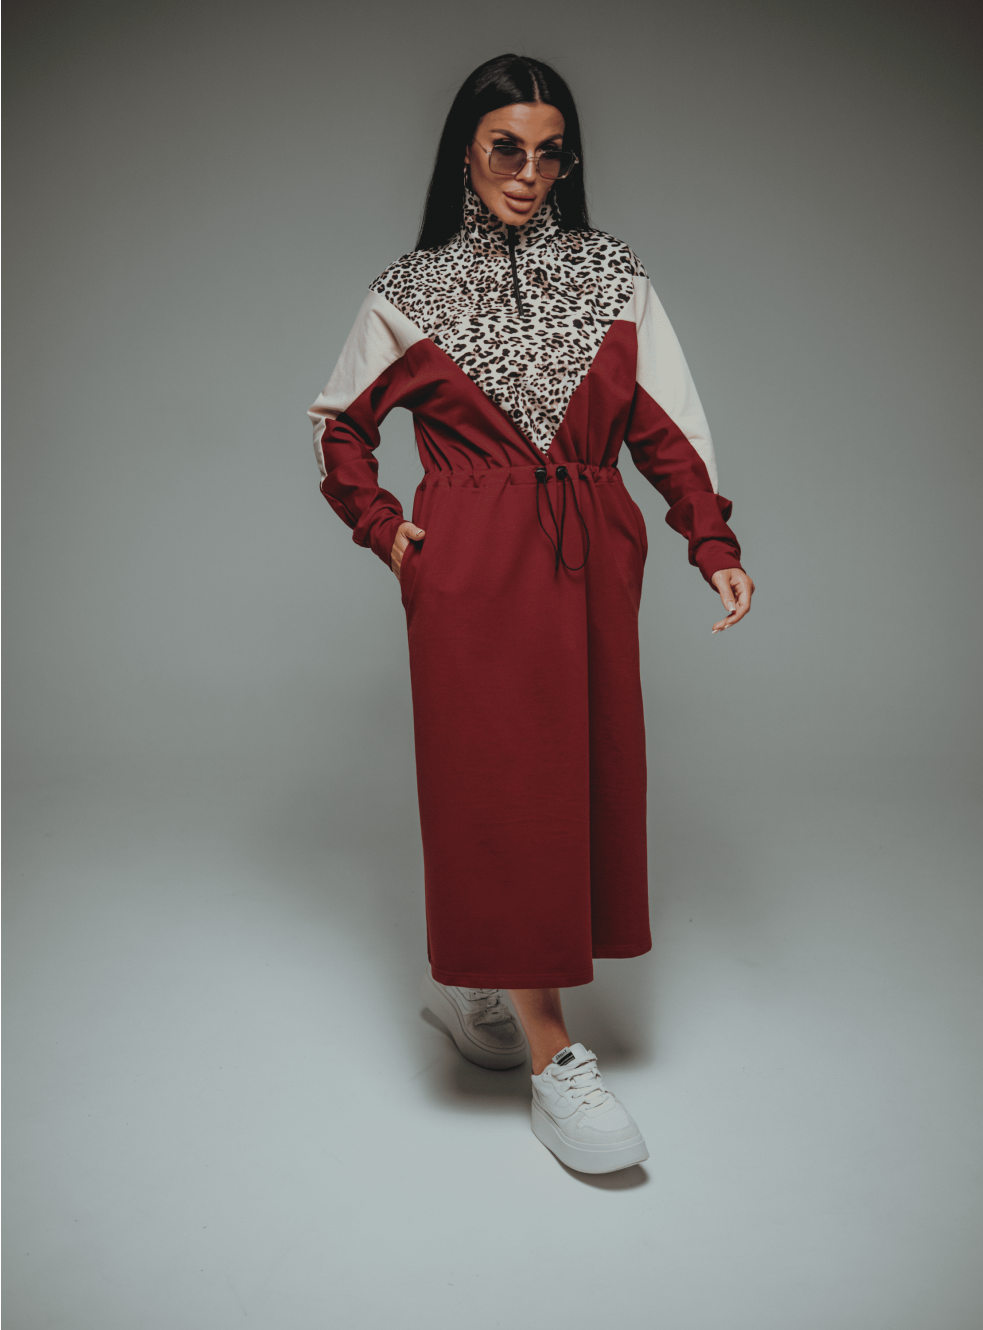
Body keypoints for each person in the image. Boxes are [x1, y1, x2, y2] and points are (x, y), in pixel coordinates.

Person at [308, 54, 754, 1174]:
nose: (528, 171)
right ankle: (555, 1054)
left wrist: (710, 542)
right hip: (471, 565)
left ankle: (480, 981)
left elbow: (668, 428)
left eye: (551, 152)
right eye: (506, 147)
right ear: (464, 151)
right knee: (497, 779)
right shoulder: (412, 290)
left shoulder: (612, 276)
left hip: (591, 554)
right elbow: (338, 428)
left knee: (577, 776)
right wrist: (386, 531)